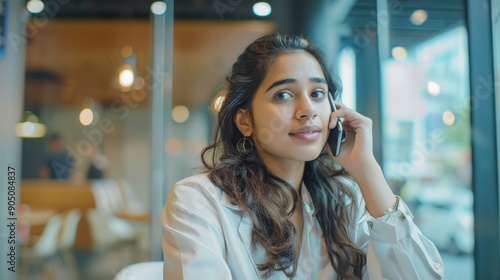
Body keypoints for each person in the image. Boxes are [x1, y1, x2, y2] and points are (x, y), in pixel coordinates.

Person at [161, 34, 444, 279]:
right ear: (244, 121)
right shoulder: (197, 201)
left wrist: (367, 169)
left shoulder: (345, 199)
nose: (307, 109)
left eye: (318, 93)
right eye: (283, 95)